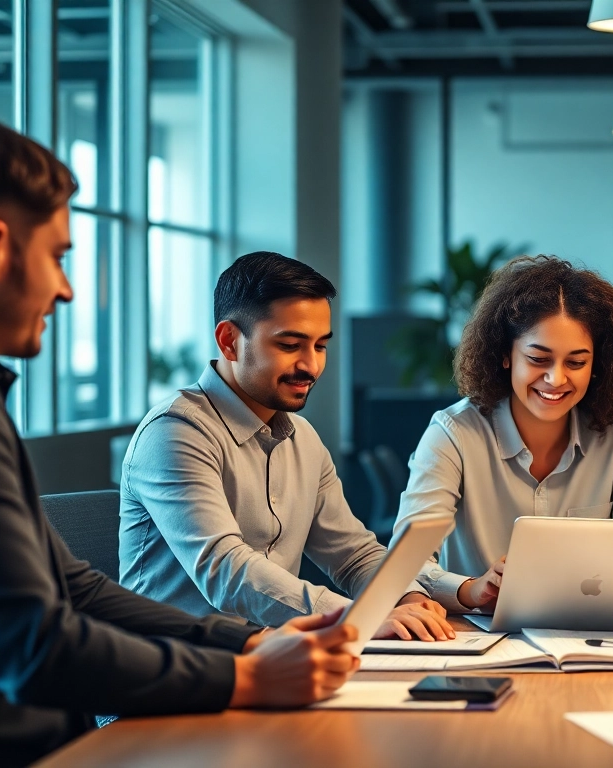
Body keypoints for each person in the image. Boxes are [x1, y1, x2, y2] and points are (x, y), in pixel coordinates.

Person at [0, 115, 360, 768]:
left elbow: (70, 586)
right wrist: (246, 678)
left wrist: (242, 643)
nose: (65, 288)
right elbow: (32, 646)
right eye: (56, 256)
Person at [118, 251, 452, 641]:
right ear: (229, 341)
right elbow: (226, 572)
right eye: (291, 345)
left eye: (320, 346)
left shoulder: (303, 438)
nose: (311, 366)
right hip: (176, 672)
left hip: (272, 656)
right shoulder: (175, 432)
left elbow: (352, 554)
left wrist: (406, 597)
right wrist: (357, 617)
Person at [393, 255, 613, 628]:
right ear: (506, 355)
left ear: (597, 367)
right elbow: (405, 563)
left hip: (589, 641)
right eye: (538, 359)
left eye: (576, 363)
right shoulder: (453, 434)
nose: (556, 379)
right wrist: (472, 589)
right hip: (475, 644)